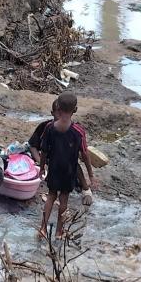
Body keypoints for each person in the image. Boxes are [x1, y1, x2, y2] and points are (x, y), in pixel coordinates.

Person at [38, 91, 96, 240]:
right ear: (75, 110)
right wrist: (90, 174)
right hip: (69, 171)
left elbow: (44, 150)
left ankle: (43, 228)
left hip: (54, 168)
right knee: (64, 199)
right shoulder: (78, 131)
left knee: (51, 196)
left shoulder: (50, 128)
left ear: (58, 107)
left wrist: (42, 167)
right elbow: (85, 154)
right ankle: (59, 232)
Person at [29, 99, 95, 206]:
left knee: (74, 165)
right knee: (53, 193)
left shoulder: (75, 130)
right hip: (51, 162)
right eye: (58, 113)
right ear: (52, 113)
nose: (61, 116)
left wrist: (90, 174)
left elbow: (83, 152)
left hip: (67, 163)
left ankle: (86, 189)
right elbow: (33, 146)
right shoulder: (46, 127)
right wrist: (42, 164)